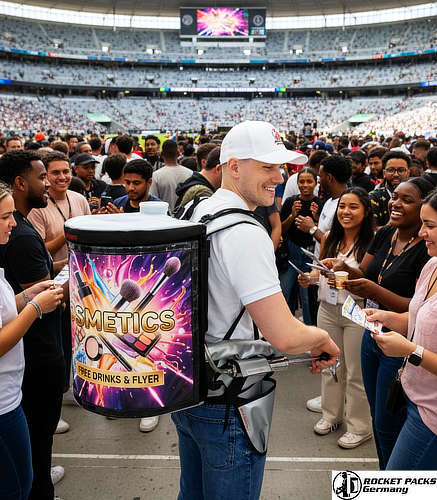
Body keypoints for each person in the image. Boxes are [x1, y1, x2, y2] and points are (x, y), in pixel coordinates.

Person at [172, 120, 340, 500]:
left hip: (189, 384)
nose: (278, 177)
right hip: (230, 397)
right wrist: (322, 337)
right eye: (266, 166)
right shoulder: (246, 232)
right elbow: (284, 334)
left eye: (279, 168)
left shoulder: (198, 209)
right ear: (233, 166)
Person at [344, 177, 434, 469]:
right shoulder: (432, 265)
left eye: (430, 226)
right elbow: (417, 313)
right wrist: (388, 317)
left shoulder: (424, 255)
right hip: (408, 385)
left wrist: (410, 351)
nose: (423, 233)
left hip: (430, 410)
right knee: (382, 426)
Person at [0, 150, 68, 499]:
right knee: (29, 462)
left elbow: (11, 302)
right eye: (43, 177)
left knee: (33, 449)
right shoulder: (23, 237)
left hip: (24, 368)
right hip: (31, 365)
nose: (10, 224)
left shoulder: (22, 230)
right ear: (20, 182)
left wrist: (30, 297)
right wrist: (38, 304)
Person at [299, 187, 374, 448]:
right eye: (343, 206)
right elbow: (319, 271)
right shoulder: (330, 237)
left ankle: (360, 427)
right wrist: (309, 278)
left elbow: (369, 280)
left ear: (365, 211)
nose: (346, 212)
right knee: (329, 364)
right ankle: (331, 416)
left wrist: (344, 271)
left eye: (353, 207)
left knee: (355, 372)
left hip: (356, 312)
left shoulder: (371, 242)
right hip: (327, 309)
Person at [28, 150, 91, 434]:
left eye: (66, 171)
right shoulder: (38, 208)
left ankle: (74, 385)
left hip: (79, 281)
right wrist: (70, 233)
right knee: (58, 341)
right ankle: (58, 397)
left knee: (79, 336)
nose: (62, 177)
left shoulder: (79, 199)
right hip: (51, 281)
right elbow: (41, 250)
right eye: (54, 173)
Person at [279, 167, 321, 324]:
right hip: (291, 253)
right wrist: (292, 216)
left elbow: (323, 233)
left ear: (315, 183)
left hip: (310, 255)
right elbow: (281, 229)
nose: (305, 185)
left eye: (309, 181)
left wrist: (316, 218)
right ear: (296, 183)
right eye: (301, 181)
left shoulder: (319, 204)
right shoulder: (291, 202)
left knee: (307, 297)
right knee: (285, 291)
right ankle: (285, 326)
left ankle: (309, 330)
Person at [369, 151, 410, 230]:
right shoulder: (374, 197)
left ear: (408, 173)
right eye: (391, 170)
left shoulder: (415, 197)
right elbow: (371, 231)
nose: (396, 174)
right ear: (384, 173)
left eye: (401, 170)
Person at [149, 140, 192, 213]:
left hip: (165, 219)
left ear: (162, 154)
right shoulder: (190, 173)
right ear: (178, 154)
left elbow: (153, 202)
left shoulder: (156, 176)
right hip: (186, 218)